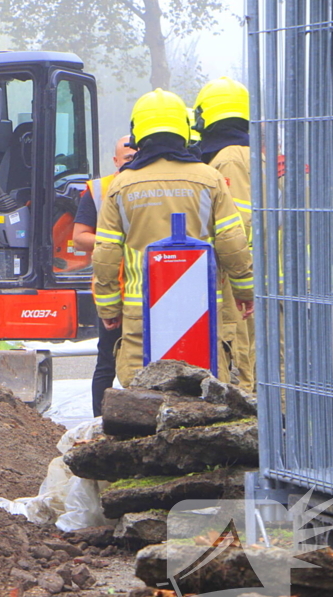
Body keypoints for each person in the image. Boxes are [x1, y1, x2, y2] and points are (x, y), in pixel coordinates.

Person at [92, 88, 254, 387]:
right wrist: (245, 290)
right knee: (204, 396)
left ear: (137, 132)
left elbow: (105, 253)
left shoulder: (121, 185)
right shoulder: (210, 179)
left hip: (142, 311)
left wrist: (109, 308)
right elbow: (233, 241)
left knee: (144, 397)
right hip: (202, 308)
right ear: (185, 129)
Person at [193, 76, 256, 392]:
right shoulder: (249, 150)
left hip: (237, 270)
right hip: (250, 267)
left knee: (239, 342)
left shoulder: (229, 157)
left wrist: (233, 268)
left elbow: (238, 223)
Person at [72, 135, 134, 416]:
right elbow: (79, 238)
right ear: (116, 161)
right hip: (113, 288)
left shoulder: (148, 186)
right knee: (106, 361)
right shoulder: (98, 190)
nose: (132, 162)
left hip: (144, 289)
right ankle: (99, 423)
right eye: (127, 158)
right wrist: (113, 241)